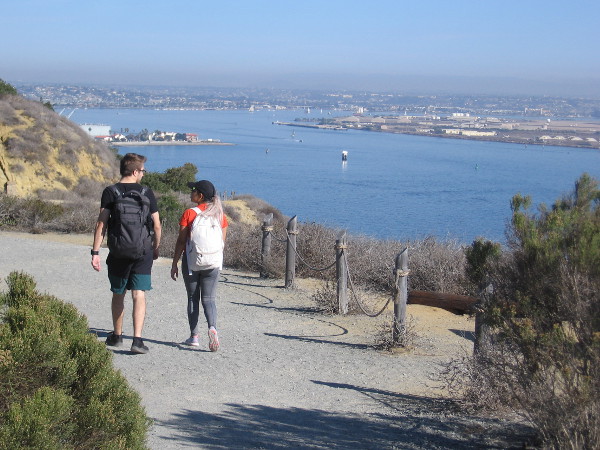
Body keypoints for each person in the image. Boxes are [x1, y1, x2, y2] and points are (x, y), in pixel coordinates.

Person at [91, 153, 161, 354]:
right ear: (135, 171)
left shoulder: (111, 191)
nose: (144, 175)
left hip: (119, 251)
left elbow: (101, 224)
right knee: (138, 294)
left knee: (118, 293)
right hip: (142, 251)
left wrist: (95, 251)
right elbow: (157, 226)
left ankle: (117, 336)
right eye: (143, 171)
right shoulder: (146, 192)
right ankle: (137, 340)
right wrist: (155, 248)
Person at [171, 180, 228, 352]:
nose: (190, 193)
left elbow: (181, 241)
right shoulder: (220, 215)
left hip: (192, 262)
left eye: (193, 190)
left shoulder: (189, 213)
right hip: (213, 262)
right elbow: (222, 241)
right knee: (209, 299)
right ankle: (212, 327)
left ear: (200, 196)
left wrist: (174, 263)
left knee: (192, 298)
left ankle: (194, 336)